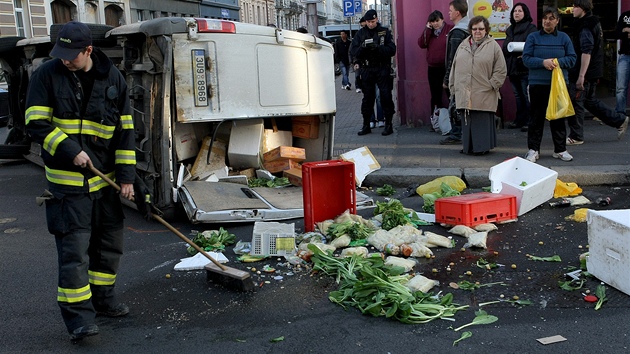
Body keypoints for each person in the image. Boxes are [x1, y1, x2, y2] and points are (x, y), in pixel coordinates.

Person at [25, 21, 136, 341]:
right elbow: (36, 123)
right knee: (74, 253)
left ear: (88, 50)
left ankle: (103, 300)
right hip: (67, 185)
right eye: (60, 53)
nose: (64, 59)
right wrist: (70, 149)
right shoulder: (46, 75)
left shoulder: (112, 78)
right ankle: (78, 318)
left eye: (71, 54)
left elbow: (125, 131)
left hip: (105, 183)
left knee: (108, 248)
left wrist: (127, 177)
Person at [566, 0, 628, 146]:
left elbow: (586, 51)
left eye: (575, 6)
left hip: (586, 71)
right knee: (590, 102)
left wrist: (581, 75)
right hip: (593, 70)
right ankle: (619, 120)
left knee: (577, 101)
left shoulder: (586, 25)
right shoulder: (593, 22)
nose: (572, 9)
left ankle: (576, 136)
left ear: (584, 9)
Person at [522, 8, 576, 162]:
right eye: (545, 18)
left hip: (558, 85)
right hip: (537, 84)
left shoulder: (564, 38)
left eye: (551, 18)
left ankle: (560, 150)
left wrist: (557, 62)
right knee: (536, 118)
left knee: (558, 118)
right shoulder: (533, 37)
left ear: (557, 21)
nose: (547, 21)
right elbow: (526, 59)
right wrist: (542, 63)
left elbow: (572, 58)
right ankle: (533, 150)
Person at [449, 15, 507, 155]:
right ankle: (469, 147)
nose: (477, 32)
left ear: (486, 30)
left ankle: (481, 148)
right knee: (467, 121)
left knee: (481, 121)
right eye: (474, 29)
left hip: (484, 91)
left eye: (481, 29)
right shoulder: (463, 45)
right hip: (464, 90)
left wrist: (492, 84)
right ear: (470, 30)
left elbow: (501, 69)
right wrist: (453, 86)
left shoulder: (493, 46)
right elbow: (454, 66)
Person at [350, 9, 397, 136]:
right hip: (367, 69)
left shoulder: (384, 32)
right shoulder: (360, 34)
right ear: (365, 21)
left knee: (385, 96)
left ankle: (388, 124)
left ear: (377, 20)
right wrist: (363, 48)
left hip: (382, 68)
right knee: (367, 98)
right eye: (368, 22)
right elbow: (353, 52)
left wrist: (379, 48)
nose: (371, 24)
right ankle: (366, 124)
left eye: (373, 21)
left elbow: (392, 50)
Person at [501, 3, 537, 132]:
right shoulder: (510, 29)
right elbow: (505, 47)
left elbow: (533, 46)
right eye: (514, 11)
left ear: (525, 13)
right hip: (512, 68)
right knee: (517, 96)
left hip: (524, 68)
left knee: (526, 95)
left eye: (519, 11)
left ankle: (529, 121)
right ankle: (519, 120)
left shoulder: (531, 29)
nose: (516, 13)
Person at [440, 0, 470, 145]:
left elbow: (453, 58)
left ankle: (456, 133)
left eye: (450, 10)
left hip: (458, 76)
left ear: (458, 13)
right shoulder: (469, 27)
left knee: (455, 104)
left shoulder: (458, 32)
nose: (449, 13)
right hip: (468, 74)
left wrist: (447, 80)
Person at [418, 10, 453, 115]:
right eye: (432, 22)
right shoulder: (429, 32)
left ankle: (454, 119)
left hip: (447, 67)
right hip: (433, 68)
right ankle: (436, 119)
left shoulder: (450, 29)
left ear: (442, 20)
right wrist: (427, 29)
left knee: (450, 93)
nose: (435, 24)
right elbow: (421, 44)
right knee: (435, 95)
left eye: (437, 21)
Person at [616, 9, 630, 115]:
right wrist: (625, 33)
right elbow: (617, 33)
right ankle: (620, 115)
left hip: (624, 57)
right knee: (621, 87)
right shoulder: (625, 16)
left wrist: (627, 30)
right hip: (624, 55)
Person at [353, 16, 367, 94]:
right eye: (362, 26)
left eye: (364, 26)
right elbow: (354, 50)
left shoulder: (379, 32)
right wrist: (355, 62)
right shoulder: (359, 35)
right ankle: (358, 86)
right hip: (363, 64)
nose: (363, 28)